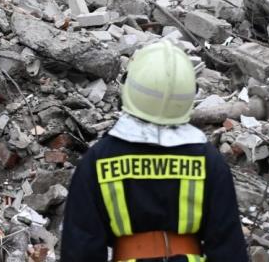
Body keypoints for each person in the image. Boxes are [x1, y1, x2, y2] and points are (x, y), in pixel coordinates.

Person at [60, 40, 248, 261]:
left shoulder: (98, 160)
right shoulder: (209, 162)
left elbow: (80, 251)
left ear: (129, 88)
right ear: (190, 94)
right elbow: (229, 249)